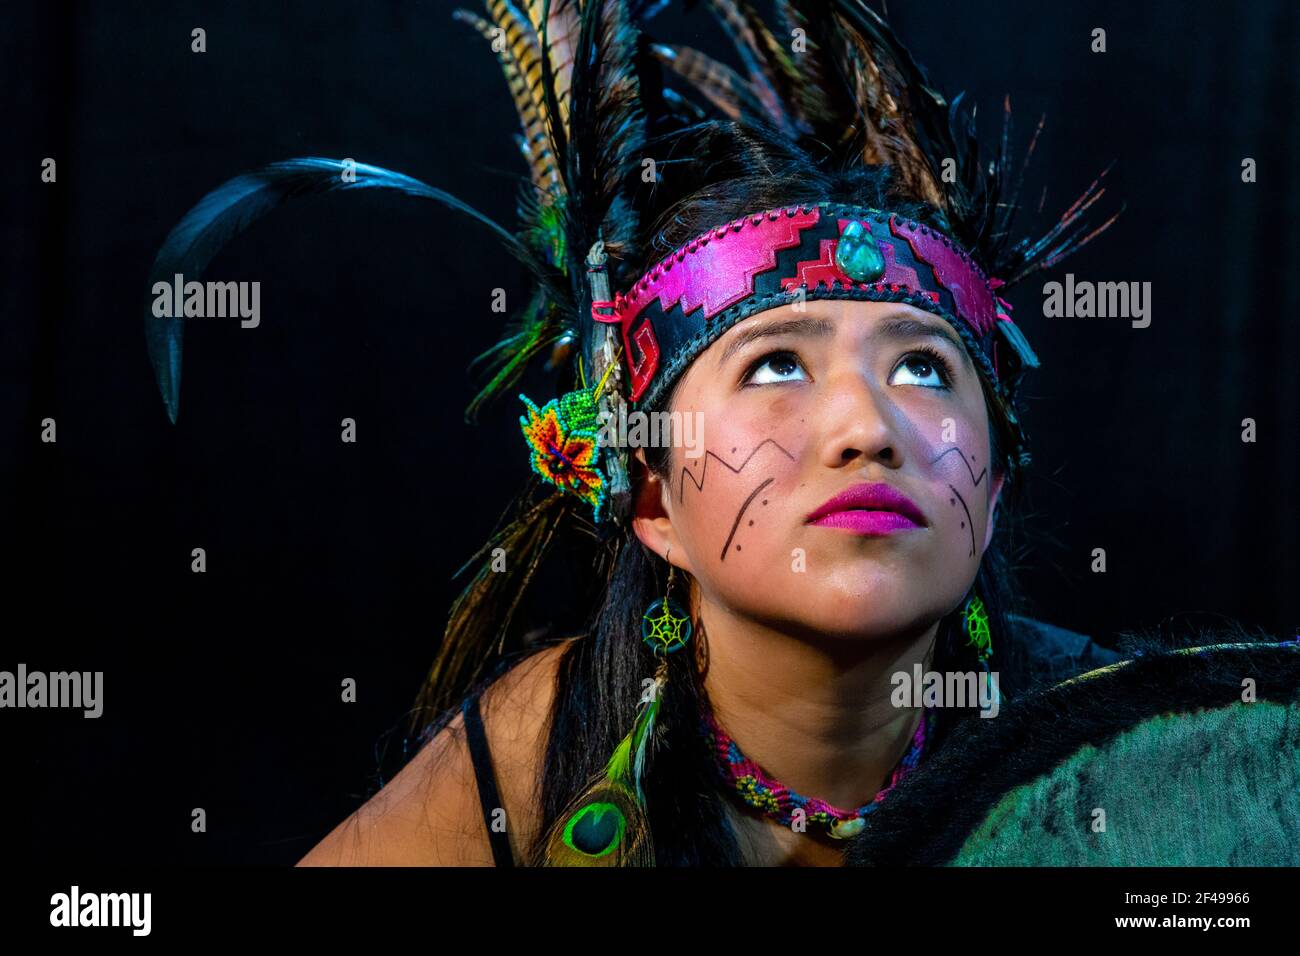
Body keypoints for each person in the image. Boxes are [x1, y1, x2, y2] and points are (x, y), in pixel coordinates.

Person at [149, 2, 1296, 867]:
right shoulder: (538, 753)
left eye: (923, 366)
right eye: (776, 364)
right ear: (651, 500)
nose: (864, 424)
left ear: (991, 488)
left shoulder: (1149, 765)